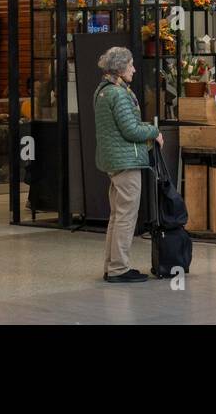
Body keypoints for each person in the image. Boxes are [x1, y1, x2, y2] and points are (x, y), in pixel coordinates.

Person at [94, 46, 161, 284]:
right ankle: (119, 269)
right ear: (121, 68)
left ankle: (112, 266)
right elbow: (131, 130)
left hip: (114, 161)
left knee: (116, 216)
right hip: (126, 161)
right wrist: (154, 131)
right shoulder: (118, 94)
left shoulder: (103, 90)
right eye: (131, 64)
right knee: (125, 217)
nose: (134, 68)